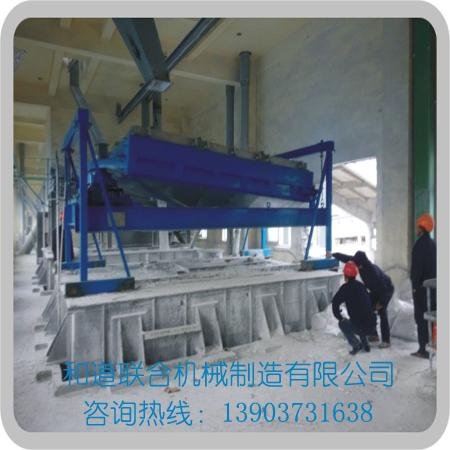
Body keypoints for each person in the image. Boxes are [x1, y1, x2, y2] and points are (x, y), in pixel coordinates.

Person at [332, 250, 394, 348]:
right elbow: (347, 258)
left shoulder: (372, 271)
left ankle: (386, 340)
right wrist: (335, 255)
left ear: (362, 263)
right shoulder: (358, 261)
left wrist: (382, 302)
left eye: (358, 265)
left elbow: (383, 288)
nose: (357, 267)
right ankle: (373, 335)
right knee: (368, 306)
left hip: (386, 290)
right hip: (375, 290)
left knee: (382, 311)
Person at [332, 261, 377, 355]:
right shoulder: (361, 286)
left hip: (360, 325)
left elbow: (335, 303)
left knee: (343, 323)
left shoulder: (345, 288)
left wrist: (339, 317)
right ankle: (366, 345)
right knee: (360, 317)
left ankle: (356, 345)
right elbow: (369, 303)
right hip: (372, 326)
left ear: (345, 275)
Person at [410, 213, 437, 359]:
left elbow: (416, 270)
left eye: (417, 227)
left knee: (421, 319)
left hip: (421, 289)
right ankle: (433, 345)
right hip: (434, 288)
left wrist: (414, 286)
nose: (416, 229)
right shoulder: (434, 244)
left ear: (421, 227)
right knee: (432, 317)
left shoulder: (419, 245)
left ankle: (423, 349)